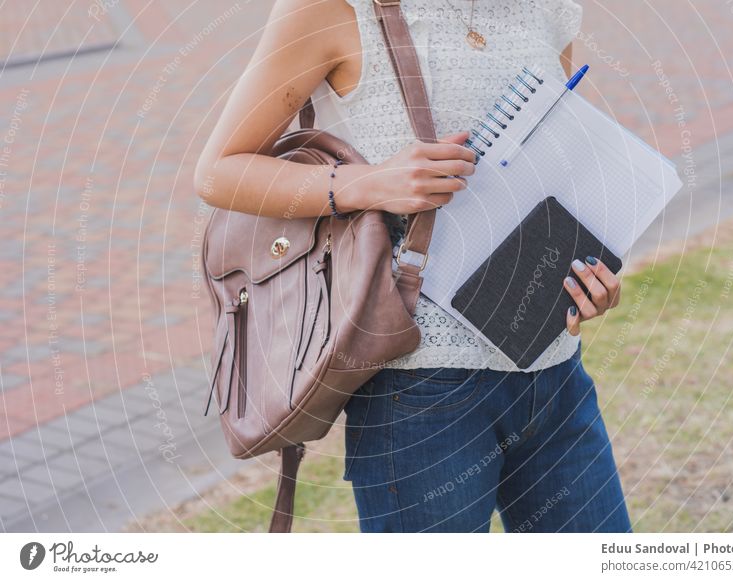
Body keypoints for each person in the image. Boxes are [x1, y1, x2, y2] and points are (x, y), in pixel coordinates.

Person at [194, 0, 631, 532]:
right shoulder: (329, 8)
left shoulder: (548, 8)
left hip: (552, 366)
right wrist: (368, 182)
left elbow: (543, 170)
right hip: (417, 384)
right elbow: (220, 170)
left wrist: (584, 276)